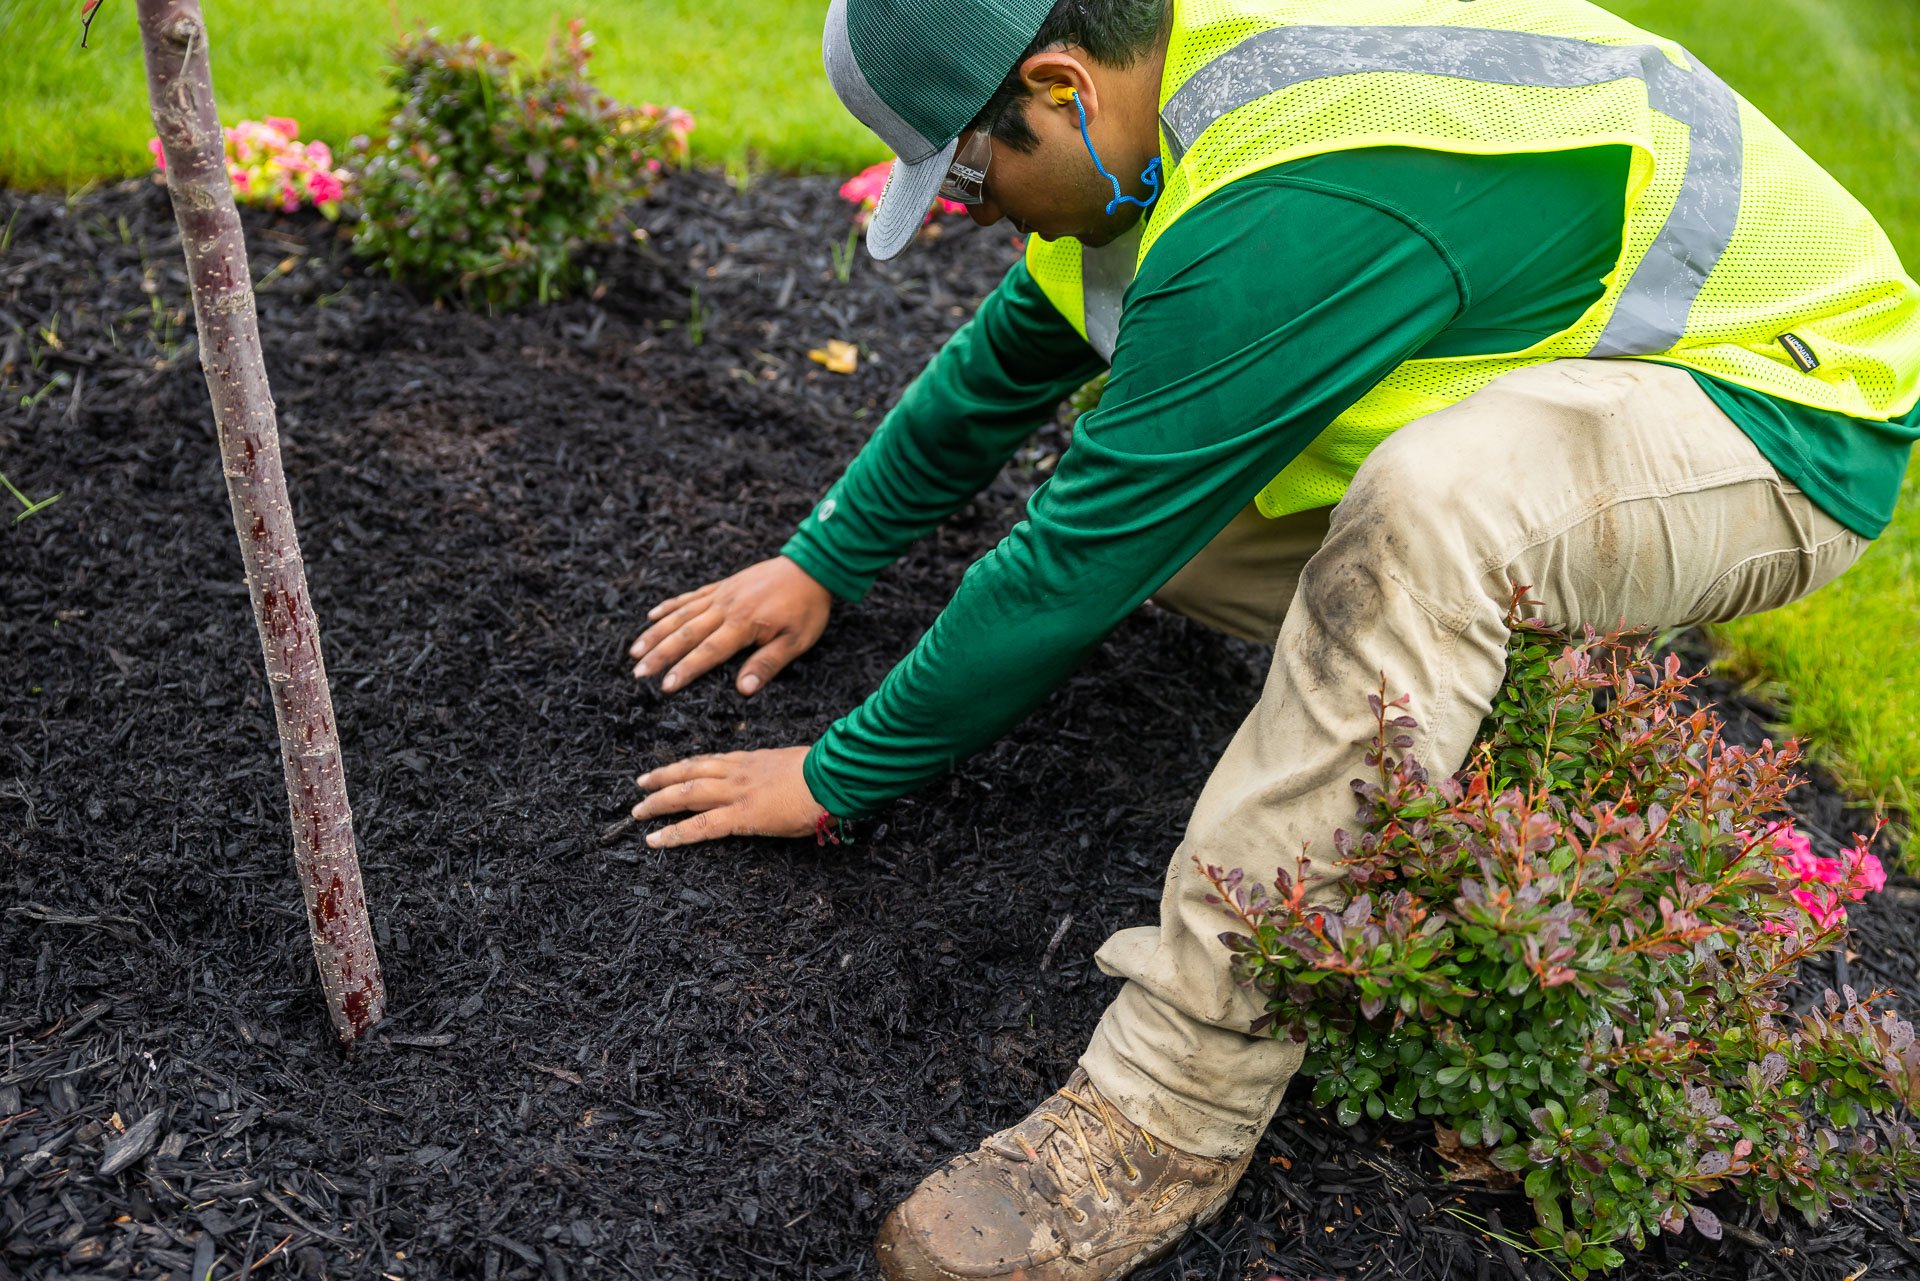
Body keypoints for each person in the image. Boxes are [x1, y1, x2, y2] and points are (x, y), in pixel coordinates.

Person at [625, 0, 1920, 1275]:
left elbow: (1068, 565)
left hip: (1788, 399)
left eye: (969, 172)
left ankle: (1170, 1111)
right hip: (1578, 358)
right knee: (1182, 514)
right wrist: (822, 558)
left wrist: (834, 777)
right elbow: (1010, 360)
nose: (976, 211)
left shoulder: (1289, 192)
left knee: (1436, 510)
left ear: (1064, 88)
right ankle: (1450, 681)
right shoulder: (1159, 104)